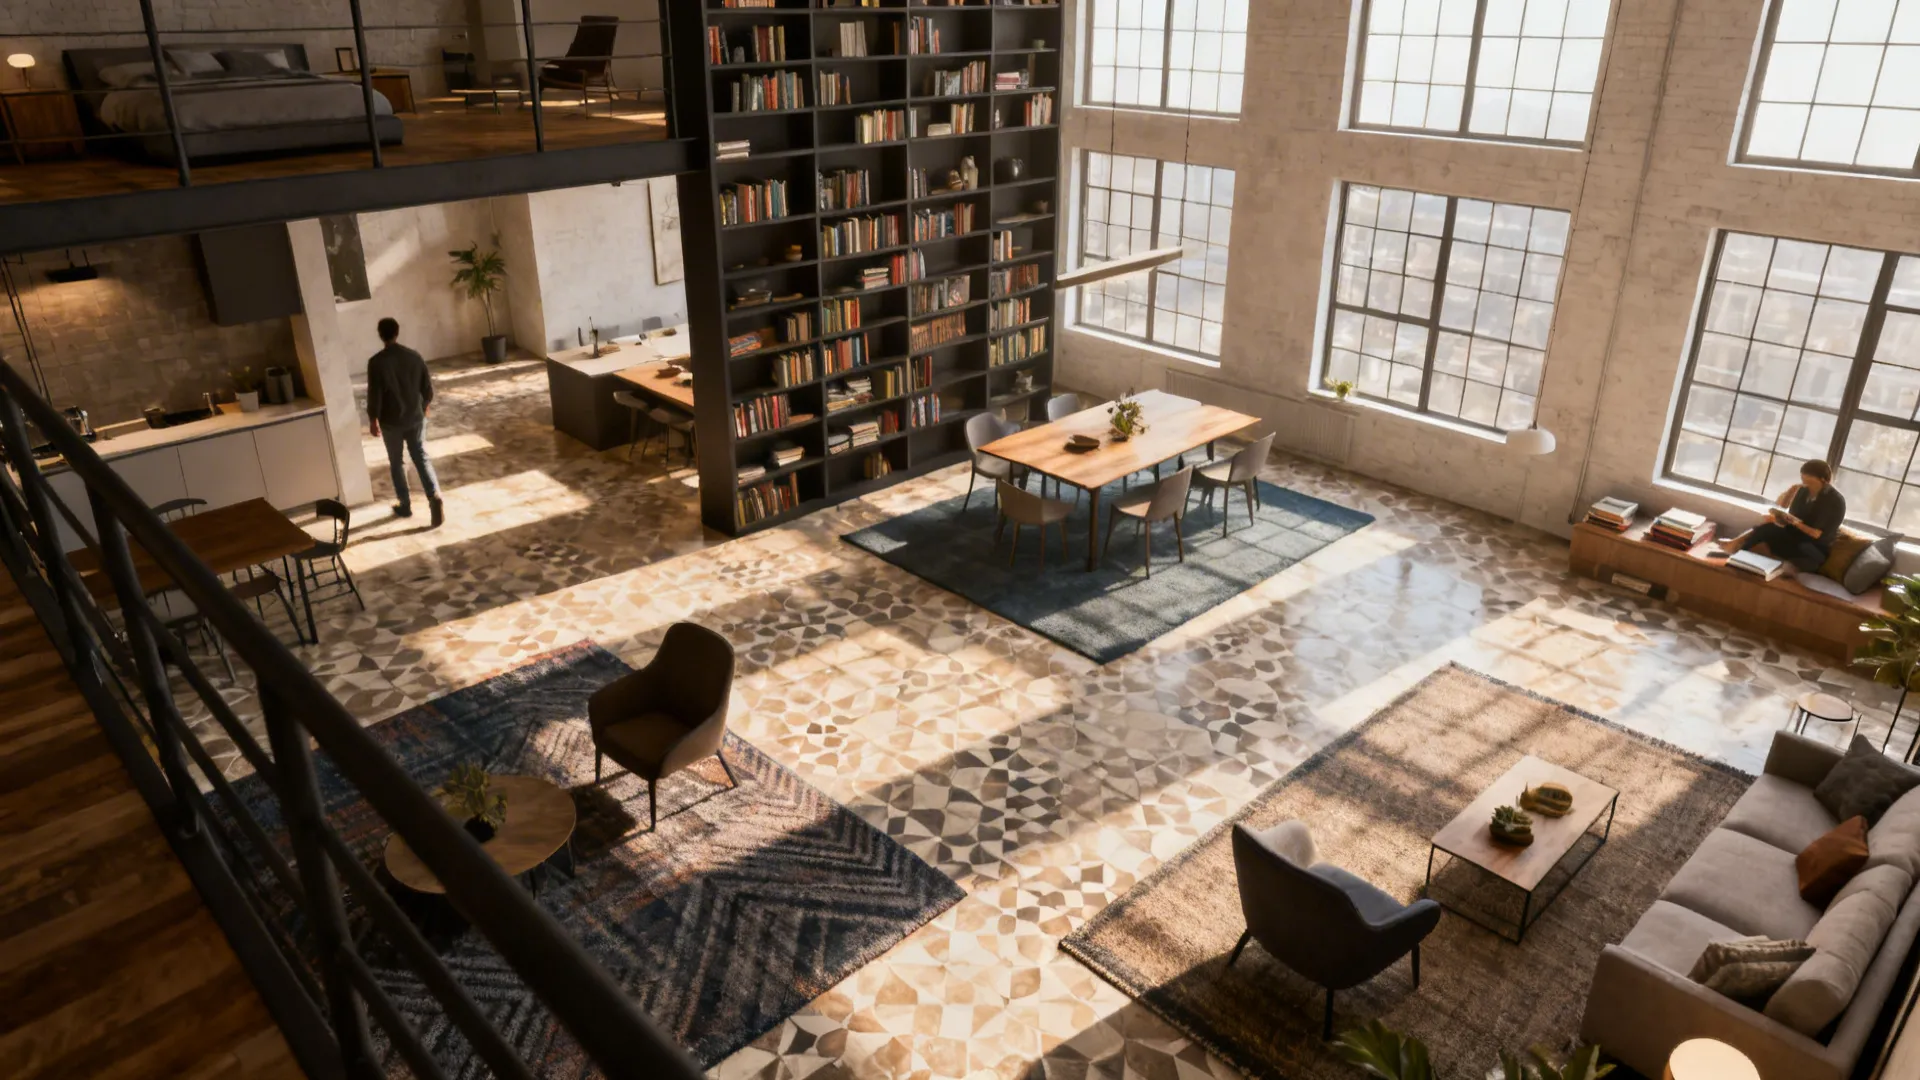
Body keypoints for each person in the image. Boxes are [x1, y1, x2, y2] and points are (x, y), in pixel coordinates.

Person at [366, 317, 444, 527]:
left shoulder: (376, 363)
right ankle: (434, 495)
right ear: (397, 332)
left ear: (381, 335)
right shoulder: (414, 357)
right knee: (420, 455)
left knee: (397, 462)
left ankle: (405, 504)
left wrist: (373, 419)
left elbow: (374, 394)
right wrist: (424, 404)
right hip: (415, 417)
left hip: (391, 421)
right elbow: (427, 387)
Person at [1714, 459, 1845, 572]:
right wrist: (1783, 509)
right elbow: (1785, 509)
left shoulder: (1835, 501)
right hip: (1797, 538)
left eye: (1810, 483)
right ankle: (1738, 556)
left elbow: (1816, 534)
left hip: (1813, 549)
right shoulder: (1804, 491)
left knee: (1771, 533)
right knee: (1768, 528)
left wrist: (1794, 522)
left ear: (1824, 481)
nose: (1806, 486)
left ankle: (1737, 550)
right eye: (1804, 481)